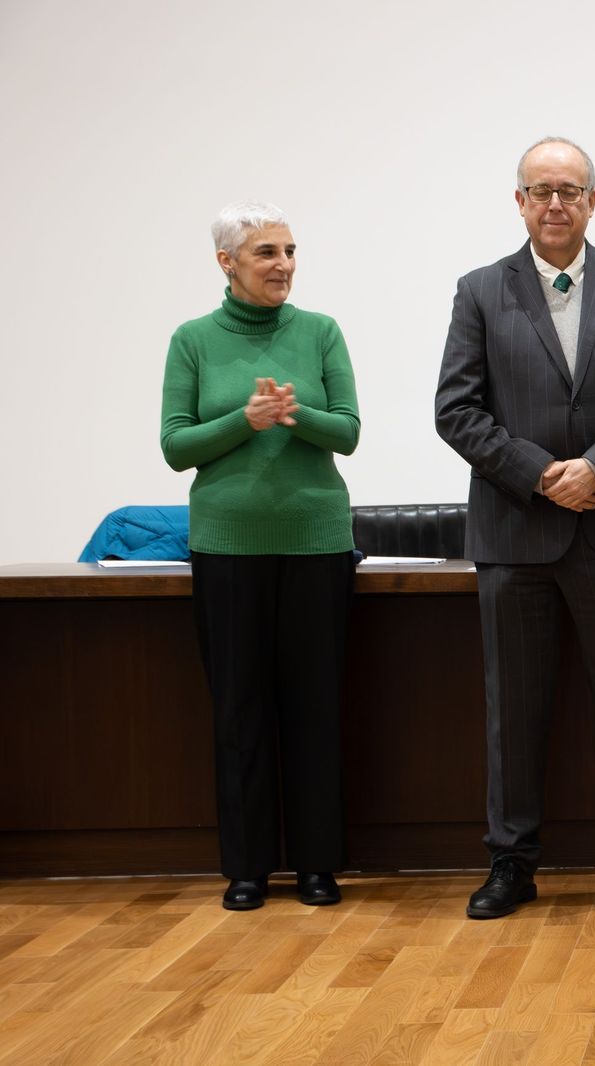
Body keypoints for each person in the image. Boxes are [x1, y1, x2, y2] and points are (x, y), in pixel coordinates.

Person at [436, 137, 595, 919]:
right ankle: (510, 863)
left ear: (592, 200)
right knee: (513, 715)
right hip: (515, 532)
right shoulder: (480, 291)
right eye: (540, 190)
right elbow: (457, 410)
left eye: (569, 190)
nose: (554, 203)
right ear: (519, 202)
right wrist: (543, 473)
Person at [160, 200, 361, 911]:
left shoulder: (320, 332)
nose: (284, 265)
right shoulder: (192, 340)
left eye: (289, 250)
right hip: (228, 549)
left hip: (316, 544)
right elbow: (176, 445)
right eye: (266, 253)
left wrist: (294, 413)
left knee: (314, 709)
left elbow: (348, 433)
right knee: (239, 712)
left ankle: (317, 865)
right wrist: (242, 421)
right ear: (227, 263)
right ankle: (247, 868)